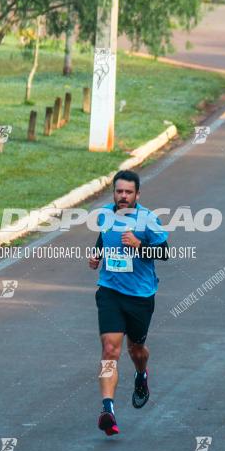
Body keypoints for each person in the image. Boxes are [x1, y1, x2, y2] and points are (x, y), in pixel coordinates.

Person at [88, 170, 169, 436]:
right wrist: (97, 255)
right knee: (110, 349)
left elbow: (165, 252)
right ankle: (107, 409)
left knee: (136, 350)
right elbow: (103, 237)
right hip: (110, 291)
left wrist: (138, 245)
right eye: (119, 191)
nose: (123, 196)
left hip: (140, 296)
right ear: (114, 192)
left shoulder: (148, 219)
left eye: (128, 192)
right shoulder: (105, 214)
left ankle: (141, 375)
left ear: (137, 194)